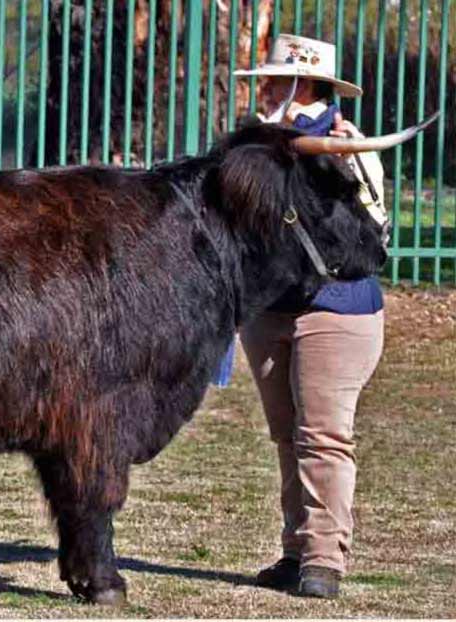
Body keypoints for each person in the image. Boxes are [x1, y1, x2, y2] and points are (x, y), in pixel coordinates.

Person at [233, 34, 387, 600]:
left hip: (336, 308)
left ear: (303, 86)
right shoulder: (256, 143)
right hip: (269, 307)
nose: (264, 89)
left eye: (274, 81)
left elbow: (375, 234)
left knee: (322, 435)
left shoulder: (349, 146)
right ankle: (297, 550)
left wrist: (351, 165)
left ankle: (325, 558)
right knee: (286, 435)